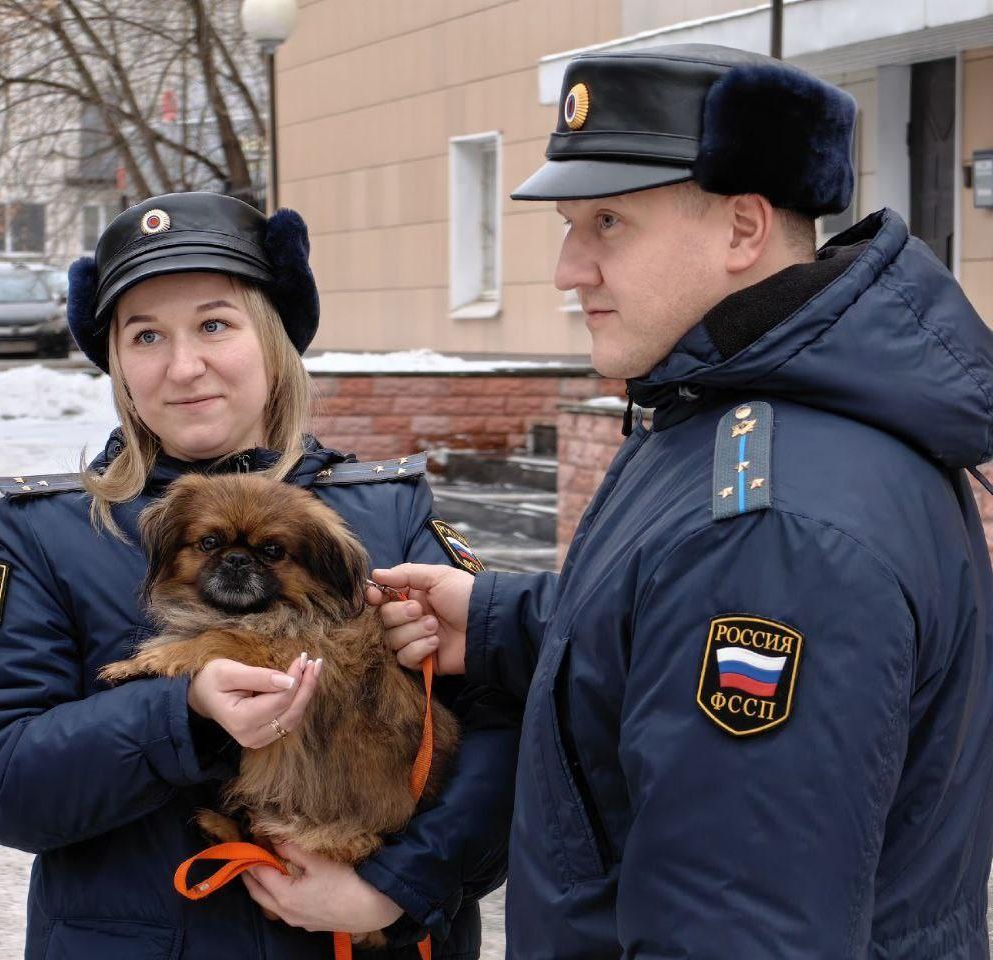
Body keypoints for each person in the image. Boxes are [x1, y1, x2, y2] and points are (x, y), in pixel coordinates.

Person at [370, 44, 993, 958]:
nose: (567, 270)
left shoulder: (774, 529)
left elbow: (738, 928)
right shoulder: (729, 410)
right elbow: (667, 632)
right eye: (570, 225)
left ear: (744, 230)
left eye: (609, 223)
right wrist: (504, 622)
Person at [0, 192, 517, 959]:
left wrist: (397, 887)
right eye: (146, 335)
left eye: (215, 324)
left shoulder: (382, 513)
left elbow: (507, 735)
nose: (184, 366)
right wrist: (180, 716)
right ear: (116, 361)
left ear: (272, 342)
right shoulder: (49, 531)